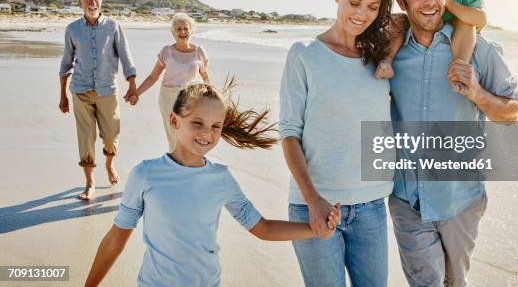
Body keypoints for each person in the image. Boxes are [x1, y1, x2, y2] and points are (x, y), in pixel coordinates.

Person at [85, 81, 340, 287]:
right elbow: (116, 238)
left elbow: (262, 228)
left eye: (215, 126)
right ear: (174, 121)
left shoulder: (221, 178)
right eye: (197, 123)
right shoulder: (146, 174)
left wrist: (314, 230)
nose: (207, 133)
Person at [389, 0, 518, 286]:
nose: (430, 2)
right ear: (403, 2)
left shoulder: (478, 50)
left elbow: (511, 113)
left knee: (456, 283)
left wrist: (477, 93)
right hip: (407, 199)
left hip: (460, 199)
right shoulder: (390, 53)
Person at [280, 0, 394, 287]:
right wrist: (313, 200)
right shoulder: (304, 53)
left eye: (373, 6)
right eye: (354, 2)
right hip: (315, 206)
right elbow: (289, 134)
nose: (362, 13)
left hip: (372, 205)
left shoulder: (379, 57)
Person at [59, 0, 137, 200]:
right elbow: (66, 63)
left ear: (101, 3)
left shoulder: (113, 26)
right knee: (85, 138)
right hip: (80, 90)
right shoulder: (72, 29)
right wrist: (63, 95)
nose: (92, 4)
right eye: (87, 1)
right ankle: (90, 182)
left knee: (111, 135)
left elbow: (126, 56)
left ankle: (109, 165)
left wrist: (132, 84)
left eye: (95, 0)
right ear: (80, 4)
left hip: (107, 90)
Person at [129, 13, 210, 150]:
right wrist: (136, 93)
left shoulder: (199, 51)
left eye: (186, 28)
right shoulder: (166, 51)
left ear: (191, 31)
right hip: (168, 98)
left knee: (191, 133)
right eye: (179, 29)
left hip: (191, 97)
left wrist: (213, 97)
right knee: (174, 134)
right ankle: (178, 165)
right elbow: (153, 77)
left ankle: (190, 162)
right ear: (173, 33)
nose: (183, 32)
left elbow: (205, 76)